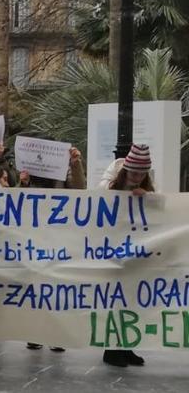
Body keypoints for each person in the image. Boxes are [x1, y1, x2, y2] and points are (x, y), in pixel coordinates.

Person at [18, 145, 85, 353]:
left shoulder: (62, 177)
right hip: (33, 241)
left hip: (58, 239)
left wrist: (76, 164)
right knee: (36, 288)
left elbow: (80, 190)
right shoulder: (26, 177)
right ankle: (35, 333)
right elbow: (14, 203)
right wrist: (23, 183)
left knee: (56, 288)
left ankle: (56, 334)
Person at [101, 144, 153, 369]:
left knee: (130, 301)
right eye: (134, 173)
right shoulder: (110, 184)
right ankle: (112, 349)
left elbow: (161, 212)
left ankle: (126, 346)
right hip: (112, 252)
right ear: (125, 170)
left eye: (142, 174)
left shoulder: (146, 187)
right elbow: (98, 201)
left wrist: (149, 198)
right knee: (115, 301)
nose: (138, 177)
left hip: (135, 254)